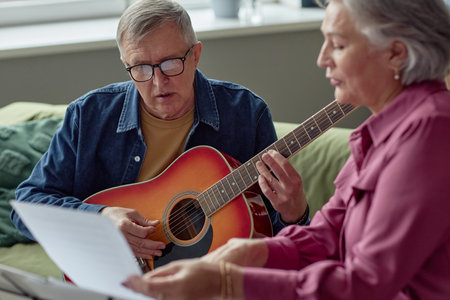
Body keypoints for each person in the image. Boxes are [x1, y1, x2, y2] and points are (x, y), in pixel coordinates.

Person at [122, 0, 450, 299]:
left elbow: (365, 285)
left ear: (395, 53)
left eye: (338, 44)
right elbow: (328, 235)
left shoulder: (431, 135)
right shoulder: (379, 134)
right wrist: (251, 253)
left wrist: (225, 282)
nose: (322, 58)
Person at [10, 0, 308, 266]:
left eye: (170, 63)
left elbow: (275, 240)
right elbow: (26, 206)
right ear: (126, 65)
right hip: (113, 278)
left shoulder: (246, 113)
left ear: (196, 55)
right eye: (141, 67)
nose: (157, 82)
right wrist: (99, 219)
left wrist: (295, 214)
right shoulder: (88, 116)